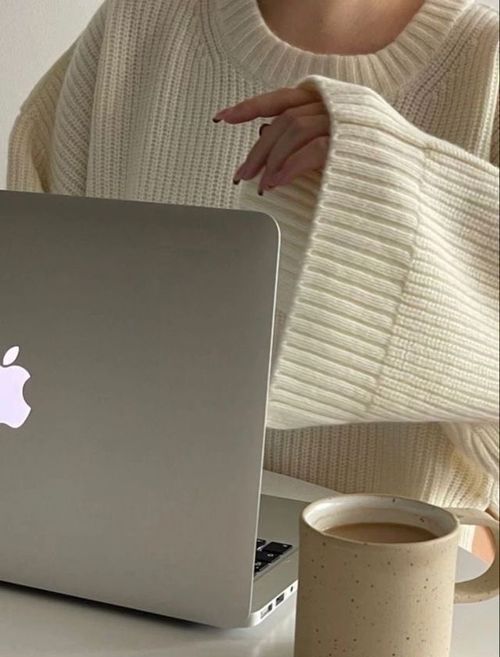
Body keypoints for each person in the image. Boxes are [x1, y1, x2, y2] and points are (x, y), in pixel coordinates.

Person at [7, 0, 499, 560]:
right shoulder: (134, 25)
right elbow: (31, 328)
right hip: (124, 550)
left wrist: (391, 179)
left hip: (383, 594)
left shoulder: (488, 64)